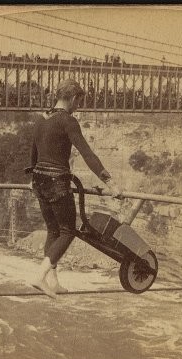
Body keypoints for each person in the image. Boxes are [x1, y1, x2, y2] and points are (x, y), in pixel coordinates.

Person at [27, 79, 124, 299]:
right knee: (68, 231)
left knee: (53, 231)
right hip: (57, 183)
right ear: (72, 98)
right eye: (79, 102)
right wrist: (111, 183)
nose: (79, 107)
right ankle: (40, 276)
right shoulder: (68, 121)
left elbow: (34, 152)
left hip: (39, 181)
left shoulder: (41, 119)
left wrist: (31, 176)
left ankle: (53, 281)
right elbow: (88, 154)